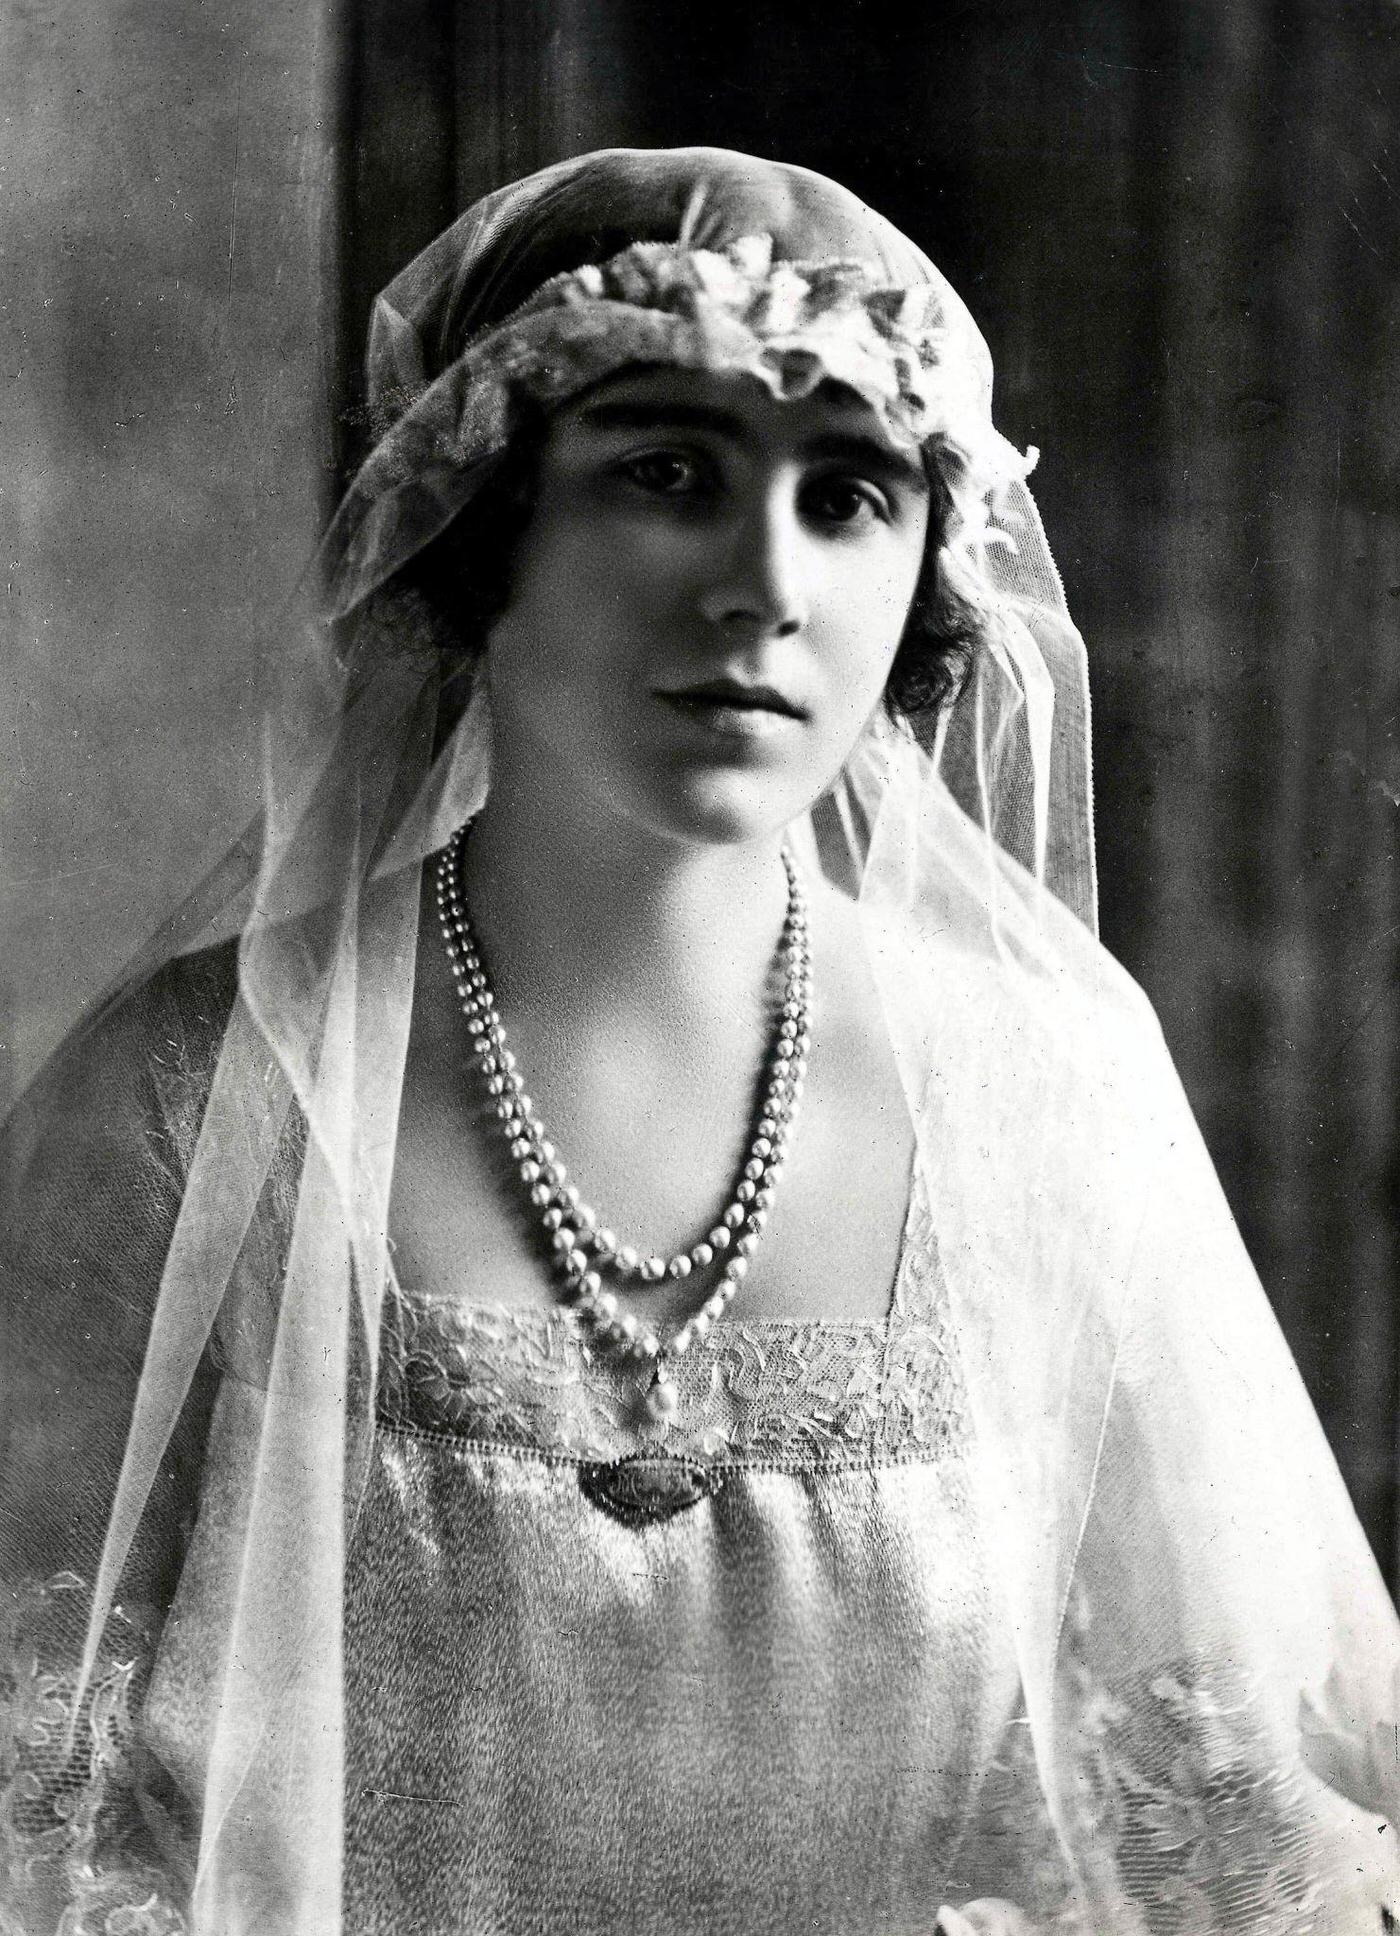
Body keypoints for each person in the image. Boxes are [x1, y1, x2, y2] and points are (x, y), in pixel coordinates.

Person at [2, 145, 1398, 1936]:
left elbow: (1215, 1818)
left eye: (850, 497)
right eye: (666, 472)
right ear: (483, 527)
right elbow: (43, 1817)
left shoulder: (1051, 1098)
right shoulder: (193, 1099)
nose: (763, 583)